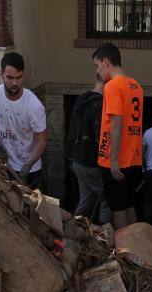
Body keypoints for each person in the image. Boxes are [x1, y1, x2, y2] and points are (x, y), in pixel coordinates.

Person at [93, 42, 144, 229]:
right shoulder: (136, 85)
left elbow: (116, 123)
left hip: (116, 161)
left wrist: (113, 161)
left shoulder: (113, 86)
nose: (97, 71)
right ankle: (138, 249)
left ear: (106, 62)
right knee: (129, 205)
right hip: (134, 160)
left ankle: (125, 254)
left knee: (118, 210)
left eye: (97, 65)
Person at [0, 52, 48, 190]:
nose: (15, 83)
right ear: (1, 74)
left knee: (32, 210)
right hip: (4, 167)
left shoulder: (33, 105)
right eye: (10, 78)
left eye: (19, 77)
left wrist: (28, 165)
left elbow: (42, 139)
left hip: (30, 171)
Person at [64, 75, 110, 223]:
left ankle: (71, 232)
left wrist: (69, 158)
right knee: (108, 200)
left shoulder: (81, 100)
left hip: (77, 160)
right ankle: (105, 240)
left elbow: (72, 131)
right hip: (92, 162)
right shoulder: (101, 105)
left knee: (86, 200)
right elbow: (101, 138)